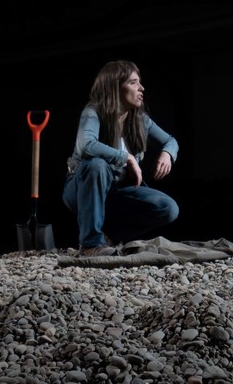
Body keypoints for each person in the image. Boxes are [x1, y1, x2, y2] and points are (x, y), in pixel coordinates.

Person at [63, 60, 180, 256]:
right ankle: (90, 244)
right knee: (97, 165)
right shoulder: (93, 112)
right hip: (82, 189)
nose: (141, 88)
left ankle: (108, 238)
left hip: (117, 192)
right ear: (115, 88)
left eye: (140, 82)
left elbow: (171, 141)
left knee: (168, 208)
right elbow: (86, 146)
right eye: (133, 83)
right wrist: (127, 158)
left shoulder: (140, 120)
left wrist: (167, 154)